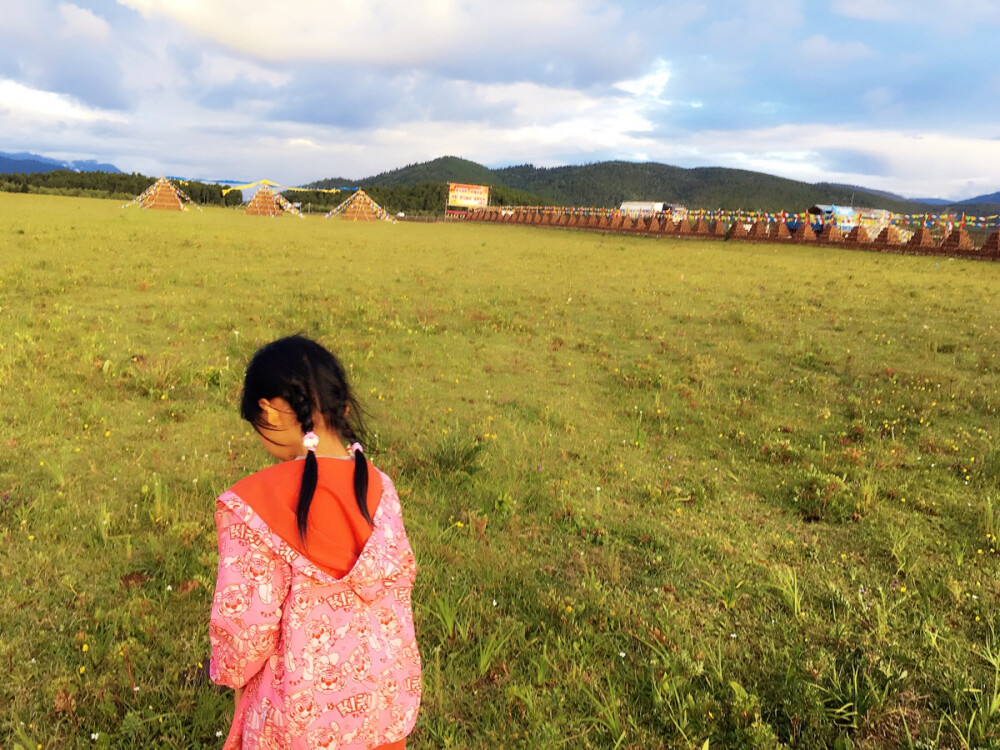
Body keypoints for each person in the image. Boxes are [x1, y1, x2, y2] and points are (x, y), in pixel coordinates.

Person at [209, 335, 421, 749]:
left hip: (298, 725)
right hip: (384, 709)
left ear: (268, 409)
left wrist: (229, 675)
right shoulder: (381, 489)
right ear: (339, 405)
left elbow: (244, 626)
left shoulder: (252, 505)